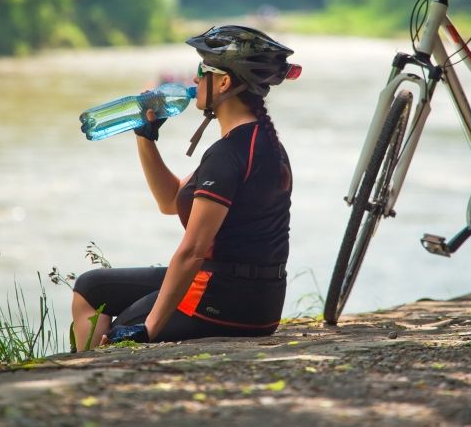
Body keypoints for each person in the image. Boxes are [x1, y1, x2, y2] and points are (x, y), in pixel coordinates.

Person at [71, 25, 300, 349]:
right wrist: (145, 137)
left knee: (124, 327)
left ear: (223, 82)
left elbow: (193, 251)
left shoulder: (229, 153)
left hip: (225, 301)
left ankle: (88, 379)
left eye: (202, 71)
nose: (193, 80)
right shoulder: (259, 143)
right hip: (258, 300)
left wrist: (149, 328)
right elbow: (171, 201)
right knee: (90, 288)